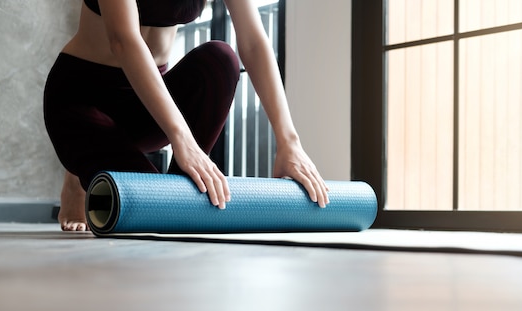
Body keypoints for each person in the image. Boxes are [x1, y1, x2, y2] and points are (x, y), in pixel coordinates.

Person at [44, 0, 329, 232]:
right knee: (151, 212)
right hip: (83, 102)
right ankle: (79, 175)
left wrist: (289, 142)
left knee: (220, 58)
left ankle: (182, 197)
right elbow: (123, 40)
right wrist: (183, 138)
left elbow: (254, 42)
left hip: (149, 105)